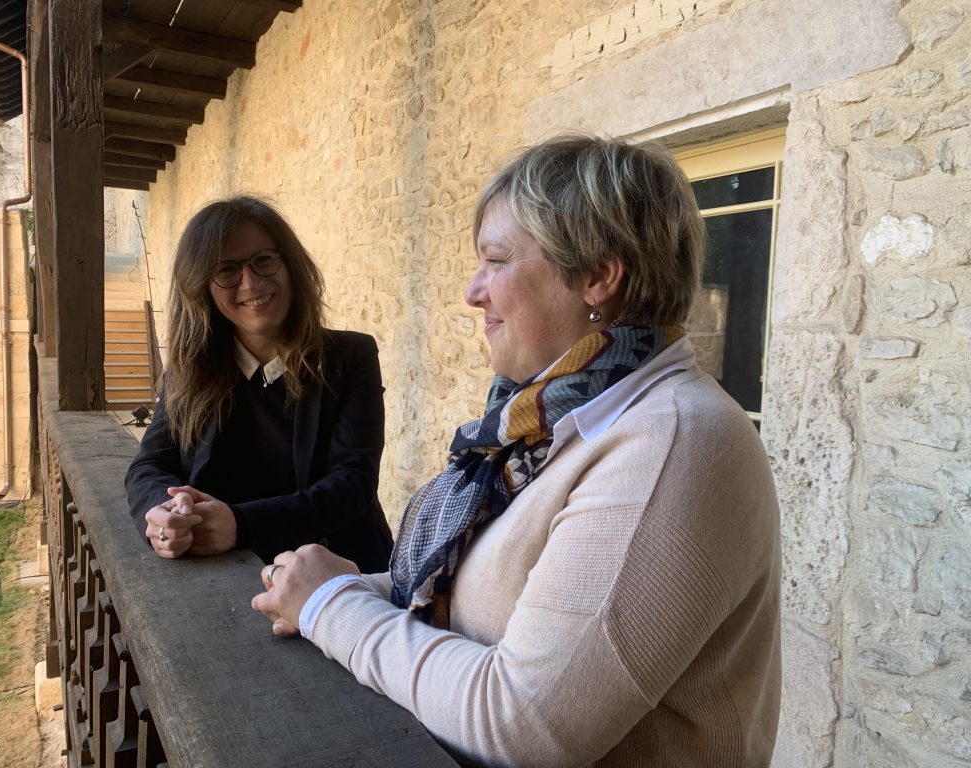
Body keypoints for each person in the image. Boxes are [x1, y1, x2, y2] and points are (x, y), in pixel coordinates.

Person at [252, 136, 782, 767]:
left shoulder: (673, 443)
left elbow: (523, 722)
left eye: (496, 260)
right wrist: (335, 590)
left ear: (597, 275)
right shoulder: (547, 424)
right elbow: (487, 609)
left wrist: (332, 607)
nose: (474, 291)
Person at [125, 196, 393, 571]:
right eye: (227, 270)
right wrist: (163, 512)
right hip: (222, 579)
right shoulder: (191, 370)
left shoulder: (351, 357)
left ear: (289, 265)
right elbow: (149, 464)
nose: (251, 284)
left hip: (338, 576)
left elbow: (353, 484)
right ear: (203, 287)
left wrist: (240, 524)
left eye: (264, 260)